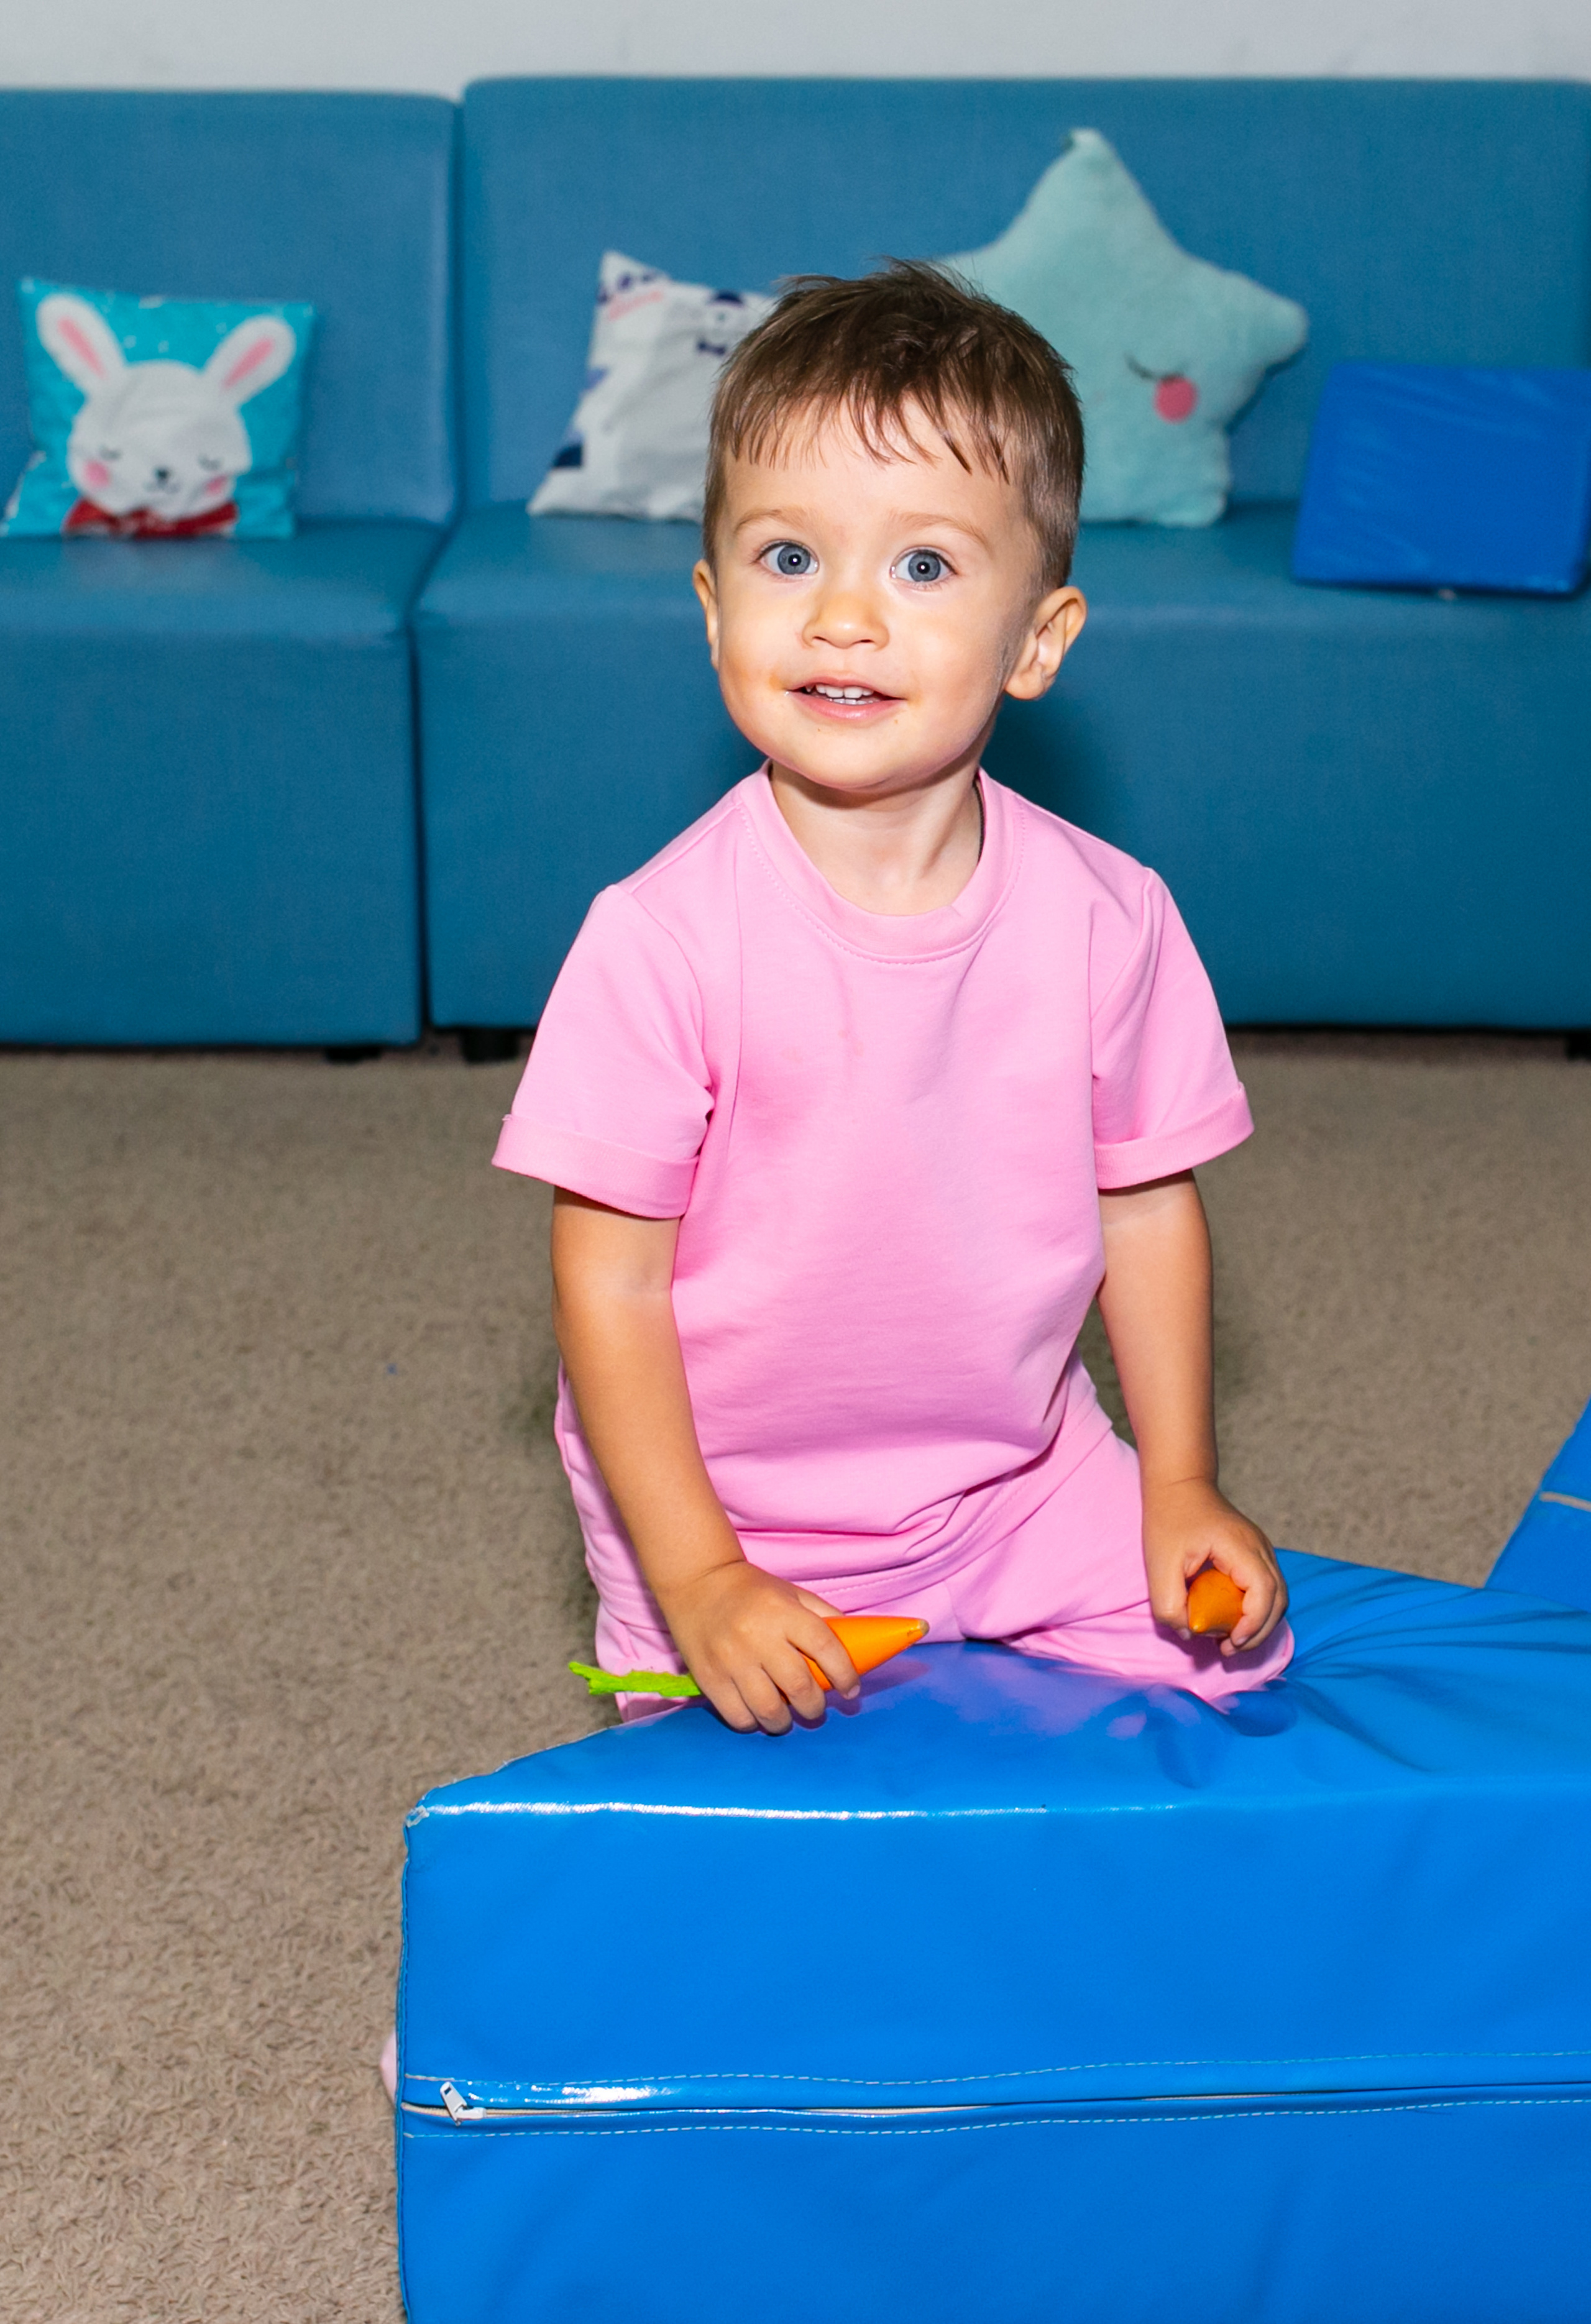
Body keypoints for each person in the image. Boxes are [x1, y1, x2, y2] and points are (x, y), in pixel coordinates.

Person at [495, 260, 1292, 1736]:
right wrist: (700, 1577)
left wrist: (1178, 1480)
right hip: (722, 1503)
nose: (844, 615)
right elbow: (607, 1282)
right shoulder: (657, 939)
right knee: (720, 1824)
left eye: (921, 566)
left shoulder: (1111, 916)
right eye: (788, 556)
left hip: (1013, 1477)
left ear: (1035, 641)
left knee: (1222, 1678)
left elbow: (1141, 1206)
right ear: (711, 608)